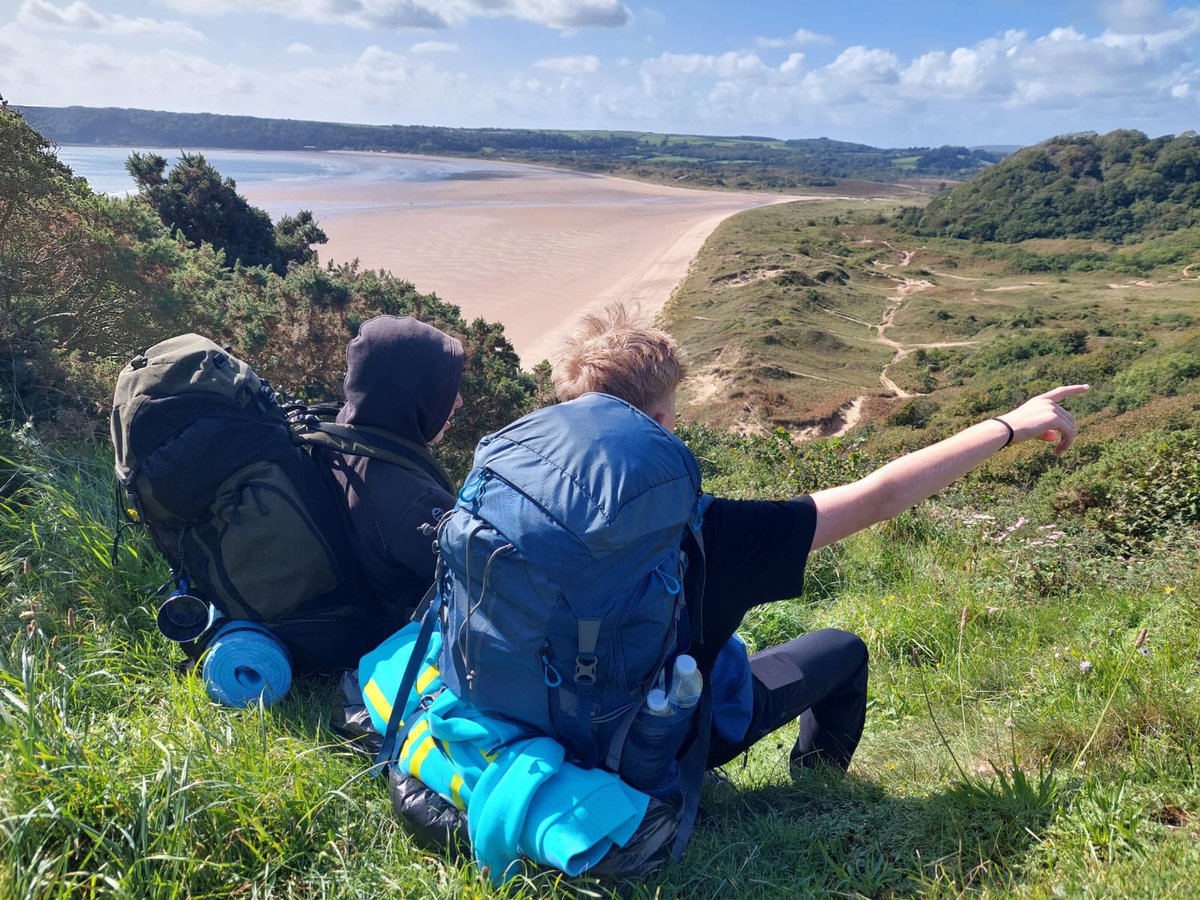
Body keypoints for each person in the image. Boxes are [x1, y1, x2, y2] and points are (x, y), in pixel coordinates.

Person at [552, 303, 1087, 773]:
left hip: (545, 740)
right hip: (658, 745)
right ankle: (817, 782)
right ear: (663, 421)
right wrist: (1008, 425)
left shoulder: (513, 517)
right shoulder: (711, 533)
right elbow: (880, 495)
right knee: (841, 649)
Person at [329, 315, 465, 631]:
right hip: (387, 637)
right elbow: (484, 583)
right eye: (442, 390)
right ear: (406, 393)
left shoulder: (343, 432)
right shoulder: (414, 500)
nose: (457, 402)